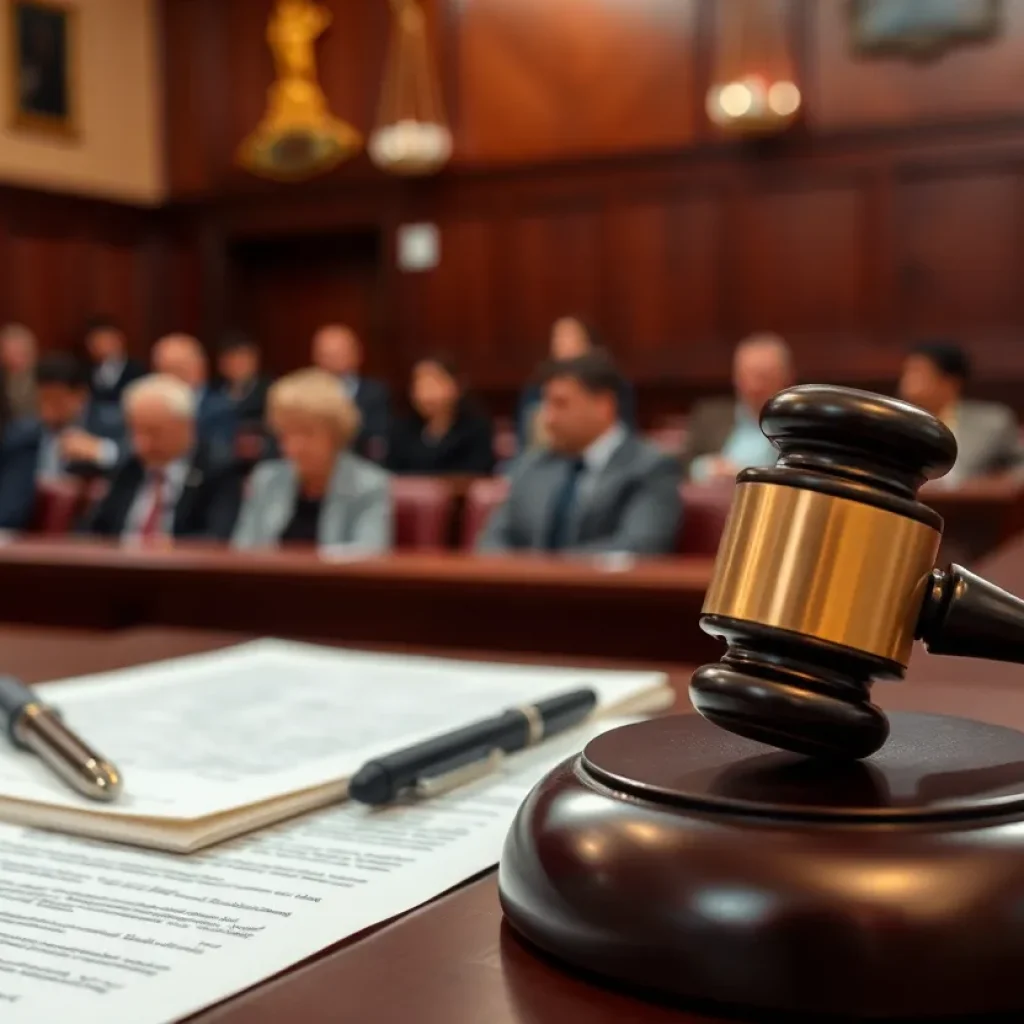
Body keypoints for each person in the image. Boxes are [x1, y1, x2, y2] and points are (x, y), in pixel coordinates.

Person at [479, 352, 682, 555]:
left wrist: (551, 571)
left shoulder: (650, 467)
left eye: (561, 404)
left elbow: (641, 547)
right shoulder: (532, 466)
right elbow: (492, 541)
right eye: (546, 405)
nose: (549, 418)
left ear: (603, 406)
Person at [232, 368, 392, 550]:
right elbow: (242, 553)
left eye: (306, 433)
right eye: (286, 433)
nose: (294, 446)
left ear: (335, 434)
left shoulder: (369, 486)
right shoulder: (265, 480)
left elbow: (370, 556)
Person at [83, 374, 243, 541]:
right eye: (134, 431)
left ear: (186, 427)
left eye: (153, 432)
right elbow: (94, 530)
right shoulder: (129, 467)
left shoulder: (217, 470)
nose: (141, 444)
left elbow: (215, 539)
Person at [898, 341, 1024, 483]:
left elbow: (1020, 466)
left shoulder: (994, 421)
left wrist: (994, 484)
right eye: (906, 372)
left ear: (950, 381)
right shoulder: (897, 421)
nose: (906, 381)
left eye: (917, 372)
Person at [683, 333, 794, 482]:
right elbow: (681, 463)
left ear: (786, 378)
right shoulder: (709, 416)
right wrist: (705, 468)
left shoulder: (801, 426)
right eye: (747, 376)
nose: (755, 386)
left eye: (763, 377)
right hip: (714, 498)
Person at [515, 317, 636, 450]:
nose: (550, 419)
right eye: (557, 338)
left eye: (570, 338)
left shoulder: (610, 384)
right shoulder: (535, 386)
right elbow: (524, 440)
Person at [386, 356, 495, 476]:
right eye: (419, 383)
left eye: (435, 382)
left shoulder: (476, 427)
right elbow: (392, 473)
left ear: (457, 386)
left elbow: (477, 471)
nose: (426, 392)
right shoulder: (401, 428)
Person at [151, 333, 237, 456]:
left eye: (177, 369)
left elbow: (219, 456)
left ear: (199, 368)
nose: (170, 378)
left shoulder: (221, 409)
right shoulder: (149, 410)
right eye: (163, 371)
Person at [311, 324, 390, 459]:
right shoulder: (305, 394)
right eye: (326, 354)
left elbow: (378, 442)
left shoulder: (375, 393)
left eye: (339, 353)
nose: (332, 360)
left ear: (357, 355)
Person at [83, 315, 145, 409]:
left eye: (105, 340)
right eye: (95, 342)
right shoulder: (86, 371)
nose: (100, 346)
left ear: (119, 340)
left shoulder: (137, 370)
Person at [0, 323, 38, 421]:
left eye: (19, 353)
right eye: (8, 353)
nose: (13, 360)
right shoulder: (3, 380)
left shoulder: (41, 381)